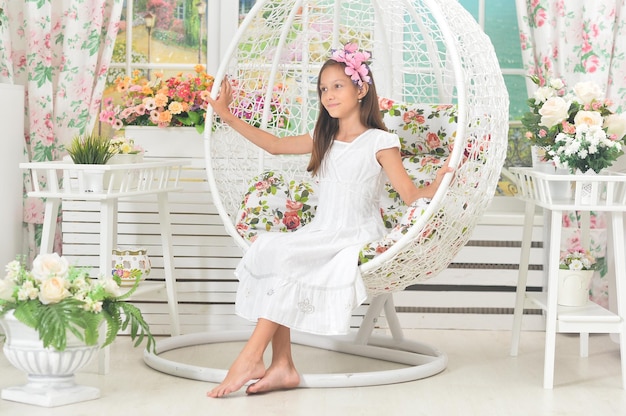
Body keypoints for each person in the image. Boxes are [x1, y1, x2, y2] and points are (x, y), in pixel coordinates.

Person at [206, 43, 453, 398]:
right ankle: (282, 366)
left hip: (355, 232)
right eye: (323, 88)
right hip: (321, 230)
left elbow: (410, 195)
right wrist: (226, 115)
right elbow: (274, 145)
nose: (329, 95)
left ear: (361, 88)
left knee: (287, 257)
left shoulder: (380, 141)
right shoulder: (324, 137)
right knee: (271, 247)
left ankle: (250, 357)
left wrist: (440, 181)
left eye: (338, 85)